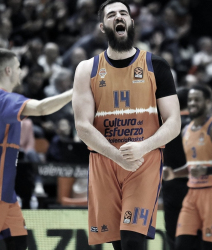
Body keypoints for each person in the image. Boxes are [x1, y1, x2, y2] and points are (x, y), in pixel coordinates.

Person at [72, 0, 181, 249]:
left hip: (143, 161)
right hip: (104, 160)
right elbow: (83, 127)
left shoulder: (157, 65)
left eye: (124, 13)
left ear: (131, 22)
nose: (119, 17)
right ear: (102, 26)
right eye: (112, 15)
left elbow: (174, 122)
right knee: (118, 243)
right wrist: (116, 155)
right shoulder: (86, 69)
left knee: (133, 240)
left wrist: (143, 148)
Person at [0, 48, 73, 250]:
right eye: (18, 68)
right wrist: (76, 91)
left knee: (18, 242)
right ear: (8, 71)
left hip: (4, 188)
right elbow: (42, 108)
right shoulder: (3, 100)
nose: (20, 72)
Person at [163, 85, 212, 250]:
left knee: (208, 246)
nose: (192, 103)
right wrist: (173, 174)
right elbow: (191, 166)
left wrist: (207, 170)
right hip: (192, 192)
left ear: (208, 102)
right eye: (190, 100)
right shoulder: (186, 131)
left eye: (197, 99)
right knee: (181, 245)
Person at [161, 87, 192, 250]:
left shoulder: (167, 124)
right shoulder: (197, 125)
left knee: (173, 236)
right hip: (195, 185)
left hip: (171, 185)